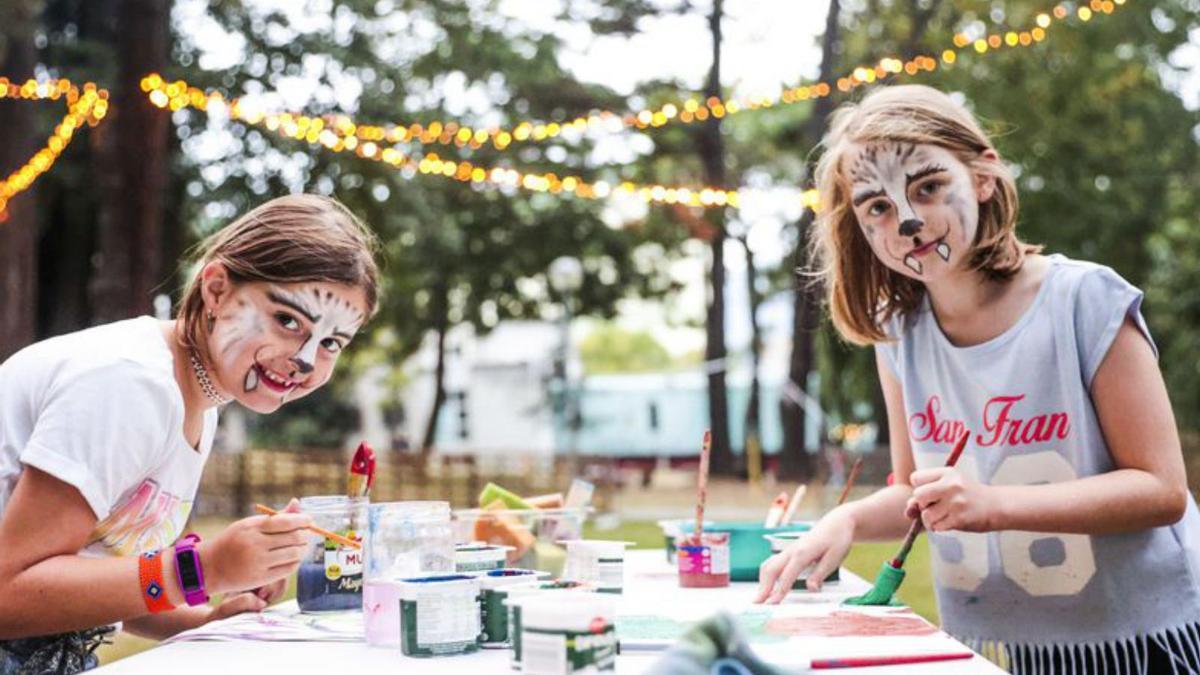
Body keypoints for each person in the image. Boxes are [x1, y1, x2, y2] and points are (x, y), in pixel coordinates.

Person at [754, 85, 1200, 674]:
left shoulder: (1084, 301)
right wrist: (849, 520)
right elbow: (917, 491)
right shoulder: (900, 336)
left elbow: (1161, 490)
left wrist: (993, 505)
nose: (908, 221)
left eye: (928, 187)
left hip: (1145, 644)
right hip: (1005, 648)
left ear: (983, 175)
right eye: (877, 207)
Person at [0, 194, 380, 673]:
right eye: (287, 321)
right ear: (217, 290)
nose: (305, 360)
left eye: (330, 343)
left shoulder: (201, 398)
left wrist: (202, 618)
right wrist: (202, 570)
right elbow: (9, 594)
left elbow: (93, 572)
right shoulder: (130, 384)